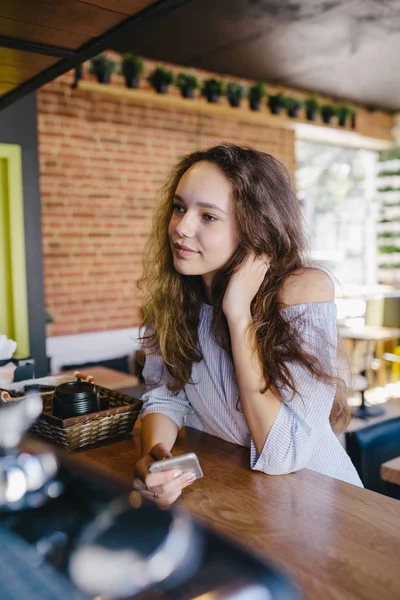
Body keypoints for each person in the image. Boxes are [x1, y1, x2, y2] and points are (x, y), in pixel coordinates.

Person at [134, 143, 363, 507]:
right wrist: (157, 457)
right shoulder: (173, 300)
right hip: (243, 501)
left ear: (254, 227)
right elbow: (166, 393)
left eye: (208, 216)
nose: (181, 227)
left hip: (326, 507)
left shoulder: (303, 289)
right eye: (179, 208)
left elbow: (282, 453)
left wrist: (238, 312)